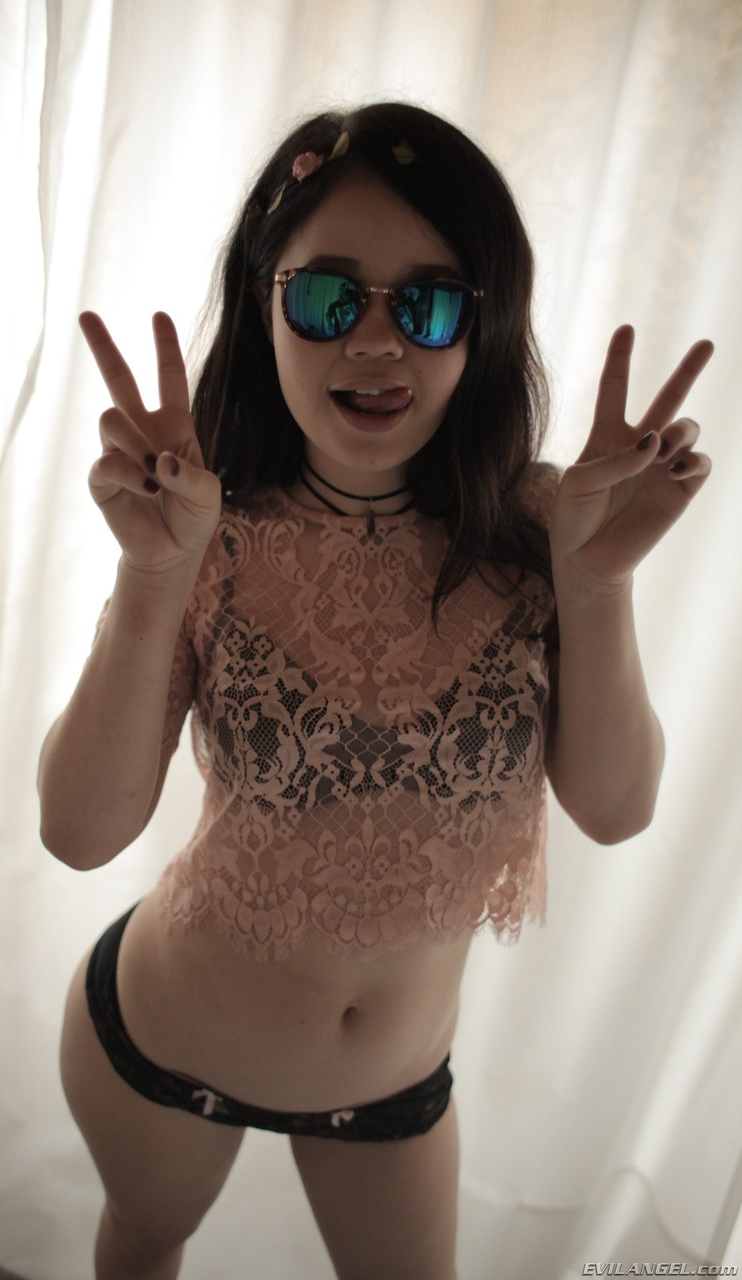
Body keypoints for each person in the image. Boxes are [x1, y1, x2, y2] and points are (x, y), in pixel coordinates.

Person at [38, 102, 713, 1280]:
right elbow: (77, 831)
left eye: (430, 303)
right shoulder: (199, 526)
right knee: (144, 1246)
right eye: (327, 297)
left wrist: (597, 585)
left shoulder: (550, 527)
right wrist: (151, 579)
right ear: (264, 304)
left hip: (394, 1082)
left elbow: (616, 810)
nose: (376, 341)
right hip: (164, 1043)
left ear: (480, 329)